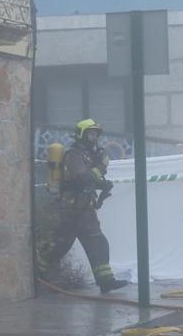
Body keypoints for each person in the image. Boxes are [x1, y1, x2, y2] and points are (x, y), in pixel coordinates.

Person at [37, 119, 128, 294]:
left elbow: (89, 180)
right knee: (66, 243)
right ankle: (39, 268)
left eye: (95, 134)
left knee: (89, 242)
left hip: (84, 207)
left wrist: (103, 184)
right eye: (90, 133)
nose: (94, 137)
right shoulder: (74, 155)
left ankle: (105, 280)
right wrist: (101, 167)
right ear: (81, 134)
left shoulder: (89, 155)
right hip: (72, 207)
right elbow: (81, 177)